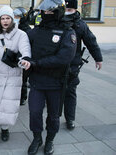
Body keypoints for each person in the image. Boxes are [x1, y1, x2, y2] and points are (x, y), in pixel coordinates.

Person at [26, 0, 77, 154]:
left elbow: (64, 58)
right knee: (34, 112)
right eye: (44, 12)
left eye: (49, 12)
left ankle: (49, 140)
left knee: (53, 116)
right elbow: (21, 41)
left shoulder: (68, 32)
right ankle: (37, 138)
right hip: (37, 82)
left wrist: (37, 63)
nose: (46, 14)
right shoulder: (37, 30)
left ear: (58, 12)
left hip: (57, 83)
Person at [0, 6, 31, 143]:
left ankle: (4, 129)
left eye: (7, 18)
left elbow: (25, 51)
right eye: (2, 18)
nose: (5, 21)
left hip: (13, 76)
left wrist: (25, 60)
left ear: (12, 19)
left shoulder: (21, 34)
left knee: (6, 106)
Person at [60, 0, 103, 130]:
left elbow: (91, 41)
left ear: (74, 9)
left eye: (70, 9)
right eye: (65, 9)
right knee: (54, 91)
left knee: (70, 92)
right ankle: (53, 117)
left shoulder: (80, 24)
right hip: (56, 63)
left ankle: (70, 119)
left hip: (73, 64)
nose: (67, 12)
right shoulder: (57, 21)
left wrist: (98, 58)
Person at [13, 7, 32, 106]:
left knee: (23, 79)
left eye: (17, 17)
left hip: (22, 57)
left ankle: (22, 97)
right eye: (14, 16)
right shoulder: (13, 27)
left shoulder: (27, 30)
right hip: (13, 56)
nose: (15, 18)